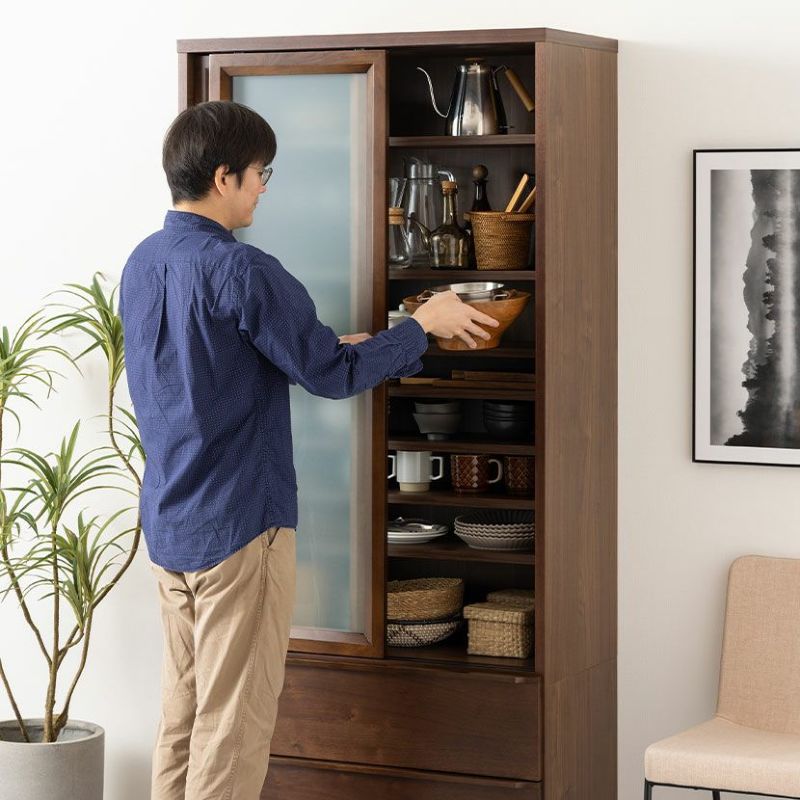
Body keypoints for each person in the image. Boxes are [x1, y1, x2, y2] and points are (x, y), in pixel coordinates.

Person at [119, 99, 499, 800]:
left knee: (184, 716)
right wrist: (423, 324)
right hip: (240, 526)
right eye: (261, 173)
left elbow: (214, 365)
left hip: (171, 523)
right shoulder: (244, 270)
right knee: (232, 728)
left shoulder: (144, 263)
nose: (264, 189)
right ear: (225, 177)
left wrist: (336, 349)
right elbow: (331, 376)